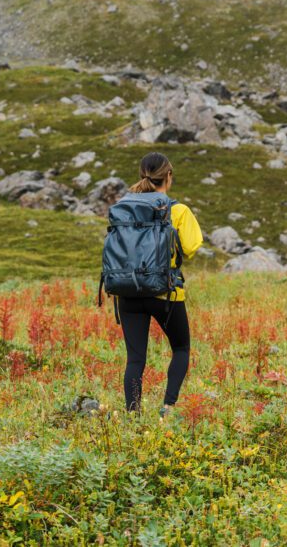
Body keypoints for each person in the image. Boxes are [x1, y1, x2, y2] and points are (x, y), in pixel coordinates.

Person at [118, 152, 203, 418]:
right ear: (168, 176)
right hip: (166, 292)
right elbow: (190, 248)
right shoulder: (178, 210)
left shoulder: (124, 205)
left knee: (135, 359)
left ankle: (133, 415)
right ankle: (167, 407)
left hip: (128, 291)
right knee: (180, 348)